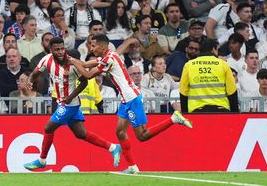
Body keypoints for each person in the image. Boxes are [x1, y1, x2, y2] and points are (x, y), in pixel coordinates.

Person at [69, 34, 192, 174]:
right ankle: (132, 167)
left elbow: (88, 74)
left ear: (102, 46)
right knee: (120, 132)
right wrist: (72, 60)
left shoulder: (109, 59)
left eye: (93, 45)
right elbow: (85, 64)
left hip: (131, 98)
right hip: (124, 98)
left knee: (142, 135)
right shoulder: (109, 56)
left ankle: (173, 119)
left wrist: (72, 62)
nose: (91, 48)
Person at [23, 37, 122, 170]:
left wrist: (70, 97)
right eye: (57, 49)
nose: (60, 52)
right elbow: (35, 73)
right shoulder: (47, 60)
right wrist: (30, 80)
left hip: (70, 104)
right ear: (51, 50)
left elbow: (85, 82)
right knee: (81, 134)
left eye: (62, 48)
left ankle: (42, 160)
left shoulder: (72, 64)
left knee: (48, 128)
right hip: (64, 102)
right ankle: (113, 147)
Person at [179, 39, 239, 113]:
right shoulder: (223, 64)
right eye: (217, 49)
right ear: (213, 49)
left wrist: (185, 114)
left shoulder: (189, 65)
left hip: (197, 111)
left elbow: (183, 92)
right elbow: (232, 92)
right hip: (221, 110)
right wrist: (235, 114)